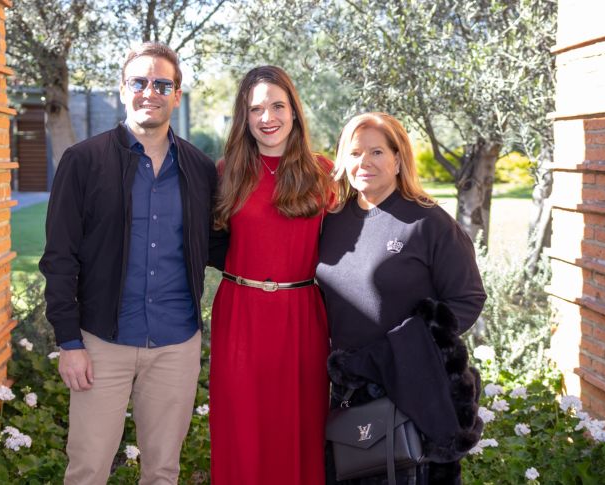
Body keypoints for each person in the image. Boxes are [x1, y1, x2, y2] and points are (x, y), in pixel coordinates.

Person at [39, 42, 224, 485]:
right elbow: (59, 258)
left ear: (177, 95)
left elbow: (222, 244)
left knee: (162, 470)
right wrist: (69, 341)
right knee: (87, 468)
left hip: (176, 344)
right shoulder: (83, 161)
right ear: (123, 89)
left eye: (162, 84)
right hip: (102, 343)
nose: (150, 92)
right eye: (139, 82)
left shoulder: (199, 170)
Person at [315, 112, 488, 485]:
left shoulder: (427, 222)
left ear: (398, 159)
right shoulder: (332, 221)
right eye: (356, 152)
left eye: (377, 151)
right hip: (349, 391)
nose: (365, 162)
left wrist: (404, 349)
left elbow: (468, 298)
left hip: (411, 387)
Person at [208, 65, 334, 485]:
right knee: (241, 428)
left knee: (300, 428)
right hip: (240, 315)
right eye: (256, 108)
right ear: (243, 118)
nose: (268, 117)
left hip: (301, 317)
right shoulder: (227, 173)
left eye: (277, 105)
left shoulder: (324, 174)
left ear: (294, 112)